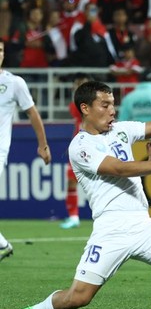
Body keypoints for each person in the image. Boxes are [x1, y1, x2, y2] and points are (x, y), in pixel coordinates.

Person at [2, 81, 151, 309]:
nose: (112, 110)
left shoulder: (121, 130)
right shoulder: (80, 145)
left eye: (113, 104)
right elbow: (117, 168)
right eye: (105, 105)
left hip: (142, 224)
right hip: (110, 229)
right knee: (78, 297)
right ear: (85, 108)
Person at [0, 39, 52, 260]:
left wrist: (43, 145)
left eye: (0, 50)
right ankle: (2, 244)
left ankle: (2, 245)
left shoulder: (14, 83)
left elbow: (32, 113)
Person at [60, 73, 94, 229]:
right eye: (77, 83)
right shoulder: (76, 105)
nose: (79, 86)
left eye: (83, 83)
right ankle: (73, 217)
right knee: (71, 182)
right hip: (78, 147)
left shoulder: (95, 104)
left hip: (93, 148)